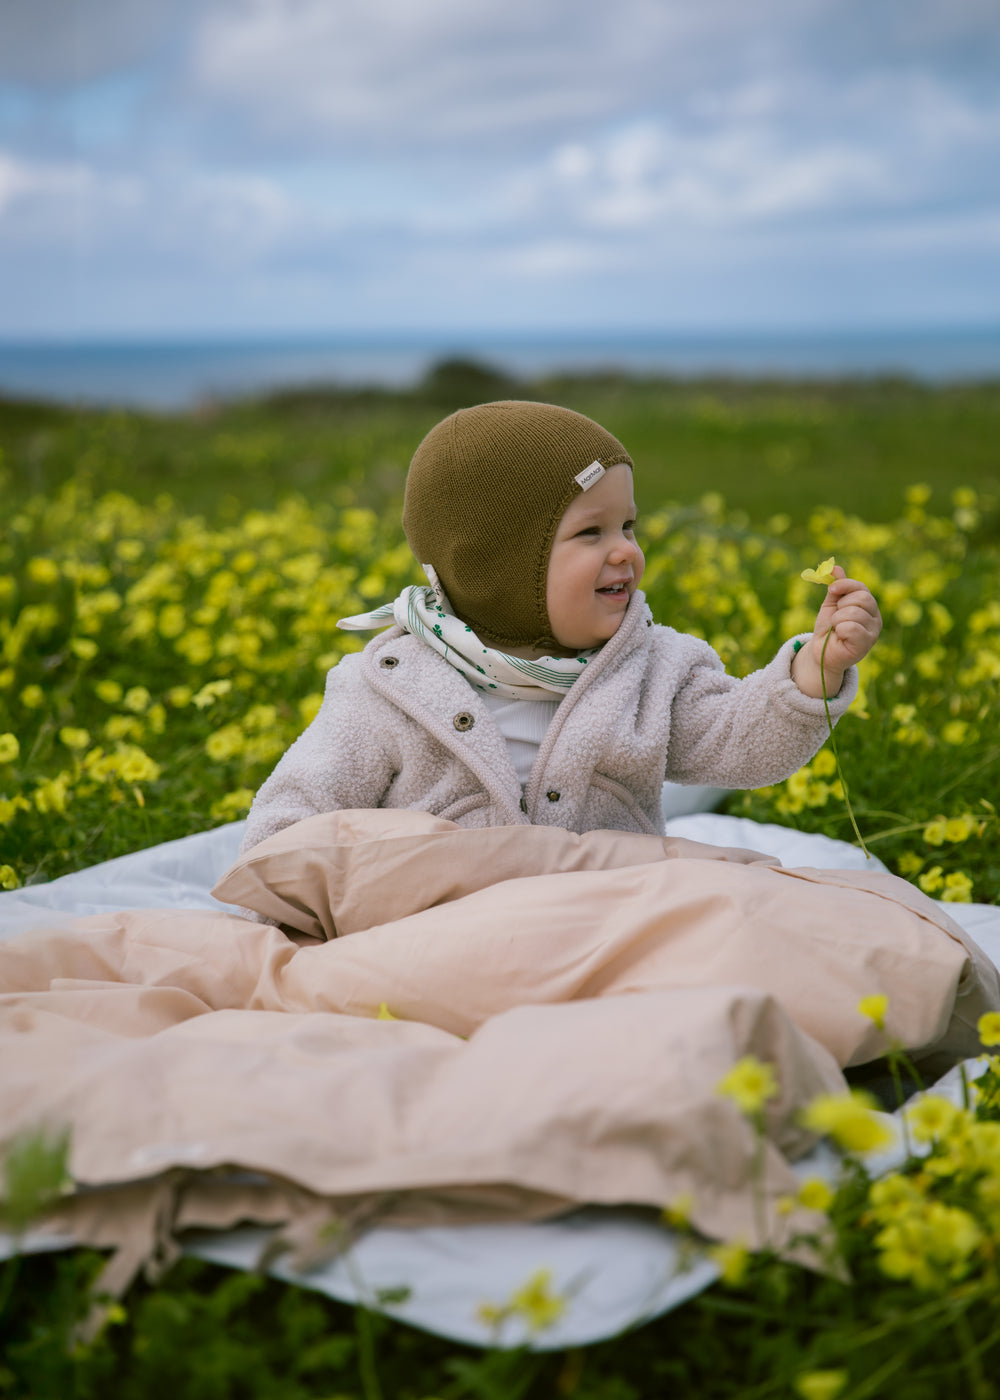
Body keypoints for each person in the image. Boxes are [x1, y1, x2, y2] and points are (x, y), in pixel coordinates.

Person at [240, 400, 881, 853]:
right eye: (590, 532)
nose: (626, 551)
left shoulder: (654, 668)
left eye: (627, 526)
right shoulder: (387, 688)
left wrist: (811, 673)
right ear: (499, 565)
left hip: (609, 925)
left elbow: (739, 746)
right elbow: (293, 816)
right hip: (441, 932)